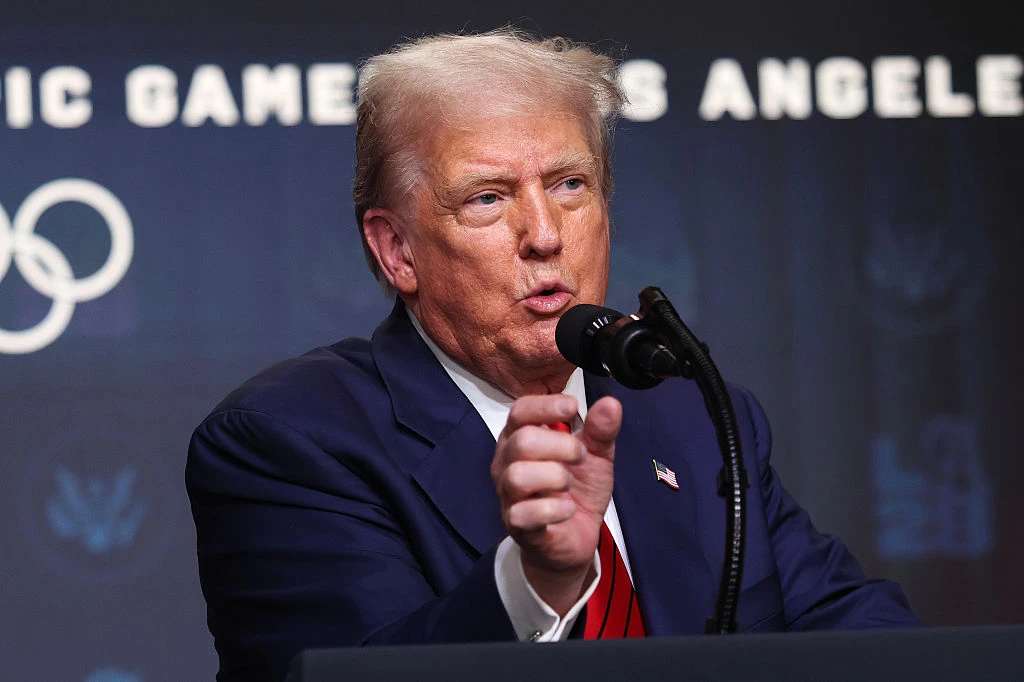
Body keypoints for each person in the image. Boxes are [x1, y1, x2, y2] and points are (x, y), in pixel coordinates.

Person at [186, 29, 917, 682]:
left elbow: (858, 629)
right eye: (486, 199)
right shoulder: (290, 439)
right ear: (397, 249)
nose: (544, 233)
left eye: (570, 185)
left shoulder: (692, 414)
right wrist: (531, 583)